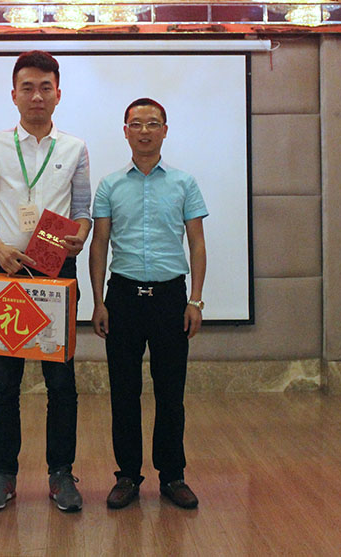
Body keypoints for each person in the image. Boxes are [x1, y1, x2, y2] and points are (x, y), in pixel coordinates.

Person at [0, 50, 91, 512]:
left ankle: (61, 474)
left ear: (58, 94)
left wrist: (79, 237)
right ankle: (3, 474)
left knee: (61, 383)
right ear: (14, 95)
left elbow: (83, 212)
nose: (36, 95)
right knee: (4, 383)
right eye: (27, 87)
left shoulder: (75, 148)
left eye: (45, 87)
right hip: (7, 272)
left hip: (57, 273)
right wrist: (0, 249)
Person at [89, 97, 207, 510]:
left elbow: (197, 243)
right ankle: (127, 476)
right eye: (136, 124)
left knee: (171, 392)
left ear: (165, 131)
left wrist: (195, 300)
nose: (144, 131)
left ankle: (173, 476)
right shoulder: (109, 185)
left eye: (153, 123)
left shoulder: (184, 183)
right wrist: (99, 301)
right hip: (122, 297)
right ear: (125, 131)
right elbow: (99, 244)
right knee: (124, 392)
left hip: (170, 298)